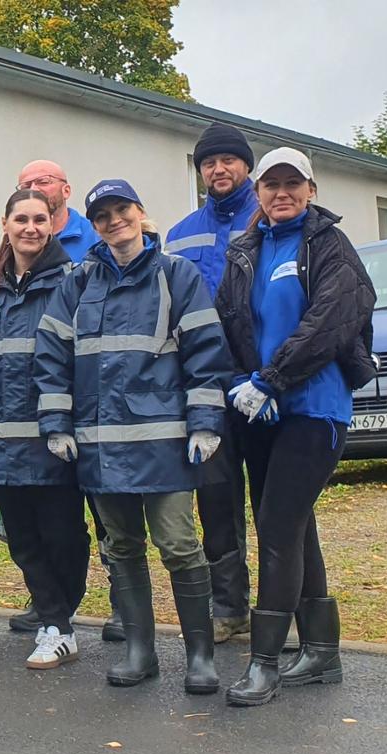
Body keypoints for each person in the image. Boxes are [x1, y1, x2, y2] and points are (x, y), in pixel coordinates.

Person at [36, 179, 233, 694]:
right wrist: (56, 425)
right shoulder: (77, 283)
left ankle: (200, 657)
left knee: (179, 545)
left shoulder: (177, 274)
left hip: (164, 445)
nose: (113, 221)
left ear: (140, 214)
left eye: (122, 210)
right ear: (93, 224)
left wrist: (207, 422)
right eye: (102, 215)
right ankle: (140, 652)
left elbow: (206, 353)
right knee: (121, 548)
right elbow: (51, 359)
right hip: (99, 447)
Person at [215, 148, 375, 706]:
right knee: (295, 525)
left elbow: (333, 318)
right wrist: (241, 381)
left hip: (313, 408)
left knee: (277, 527)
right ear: (257, 193)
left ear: (311, 188)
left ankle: (265, 662)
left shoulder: (329, 245)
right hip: (260, 410)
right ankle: (322, 651)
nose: (281, 193)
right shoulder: (245, 250)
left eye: (292, 184)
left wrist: (274, 379)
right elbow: (229, 323)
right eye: (271, 185)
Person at [0, 190, 85, 669]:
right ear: (5, 223)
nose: (30, 227)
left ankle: (60, 618)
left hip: (51, 435)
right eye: (21, 219)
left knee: (64, 536)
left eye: (39, 219)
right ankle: (55, 624)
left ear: (52, 224)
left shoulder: (72, 282)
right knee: (22, 540)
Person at [167, 123, 261, 642]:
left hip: (265, 384)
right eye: (209, 162)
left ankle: (280, 607)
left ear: (246, 166)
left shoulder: (269, 215)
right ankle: (230, 608)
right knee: (217, 501)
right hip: (206, 387)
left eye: (228, 159)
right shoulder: (180, 233)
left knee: (274, 503)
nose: (219, 169)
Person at [17, 160, 100, 260]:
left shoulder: (96, 235)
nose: (33, 190)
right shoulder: (16, 237)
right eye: (26, 186)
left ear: (66, 191)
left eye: (43, 182)